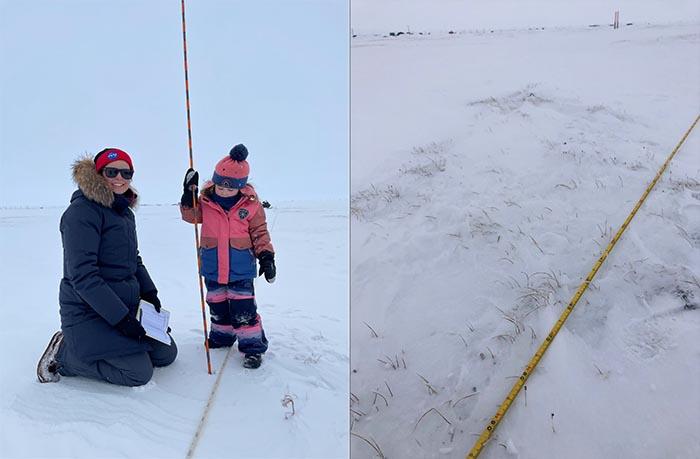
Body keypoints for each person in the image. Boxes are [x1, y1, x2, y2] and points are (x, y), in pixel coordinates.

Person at [36, 148, 177, 386]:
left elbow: (135, 259)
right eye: (112, 171)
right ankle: (64, 355)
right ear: (98, 173)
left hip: (122, 303)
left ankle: (122, 347)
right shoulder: (81, 213)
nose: (119, 178)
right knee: (138, 373)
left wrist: (149, 294)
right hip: (88, 310)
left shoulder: (123, 213)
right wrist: (122, 319)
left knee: (165, 354)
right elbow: (83, 277)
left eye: (126, 172)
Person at [180, 144, 275, 369]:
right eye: (220, 185)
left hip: (240, 268)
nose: (223, 190)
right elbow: (191, 217)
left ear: (240, 187)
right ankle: (222, 338)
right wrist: (187, 195)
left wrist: (266, 257)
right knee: (217, 306)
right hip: (212, 265)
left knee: (243, 311)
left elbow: (260, 232)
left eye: (229, 187)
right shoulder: (205, 201)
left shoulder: (250, 206)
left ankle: (252, 348)